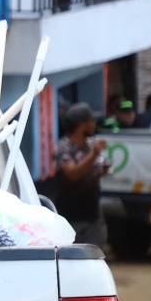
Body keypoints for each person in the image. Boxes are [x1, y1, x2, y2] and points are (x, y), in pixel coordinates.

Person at [53, 102, 110, 246]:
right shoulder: (63, 147)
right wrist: (93, 155)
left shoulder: (90, 145)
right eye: (91, 121)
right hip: (71, 217)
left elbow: (94, 170)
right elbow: (73, 174)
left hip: (93, 214)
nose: (94, 124)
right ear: (82, 124)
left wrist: (102, 169)